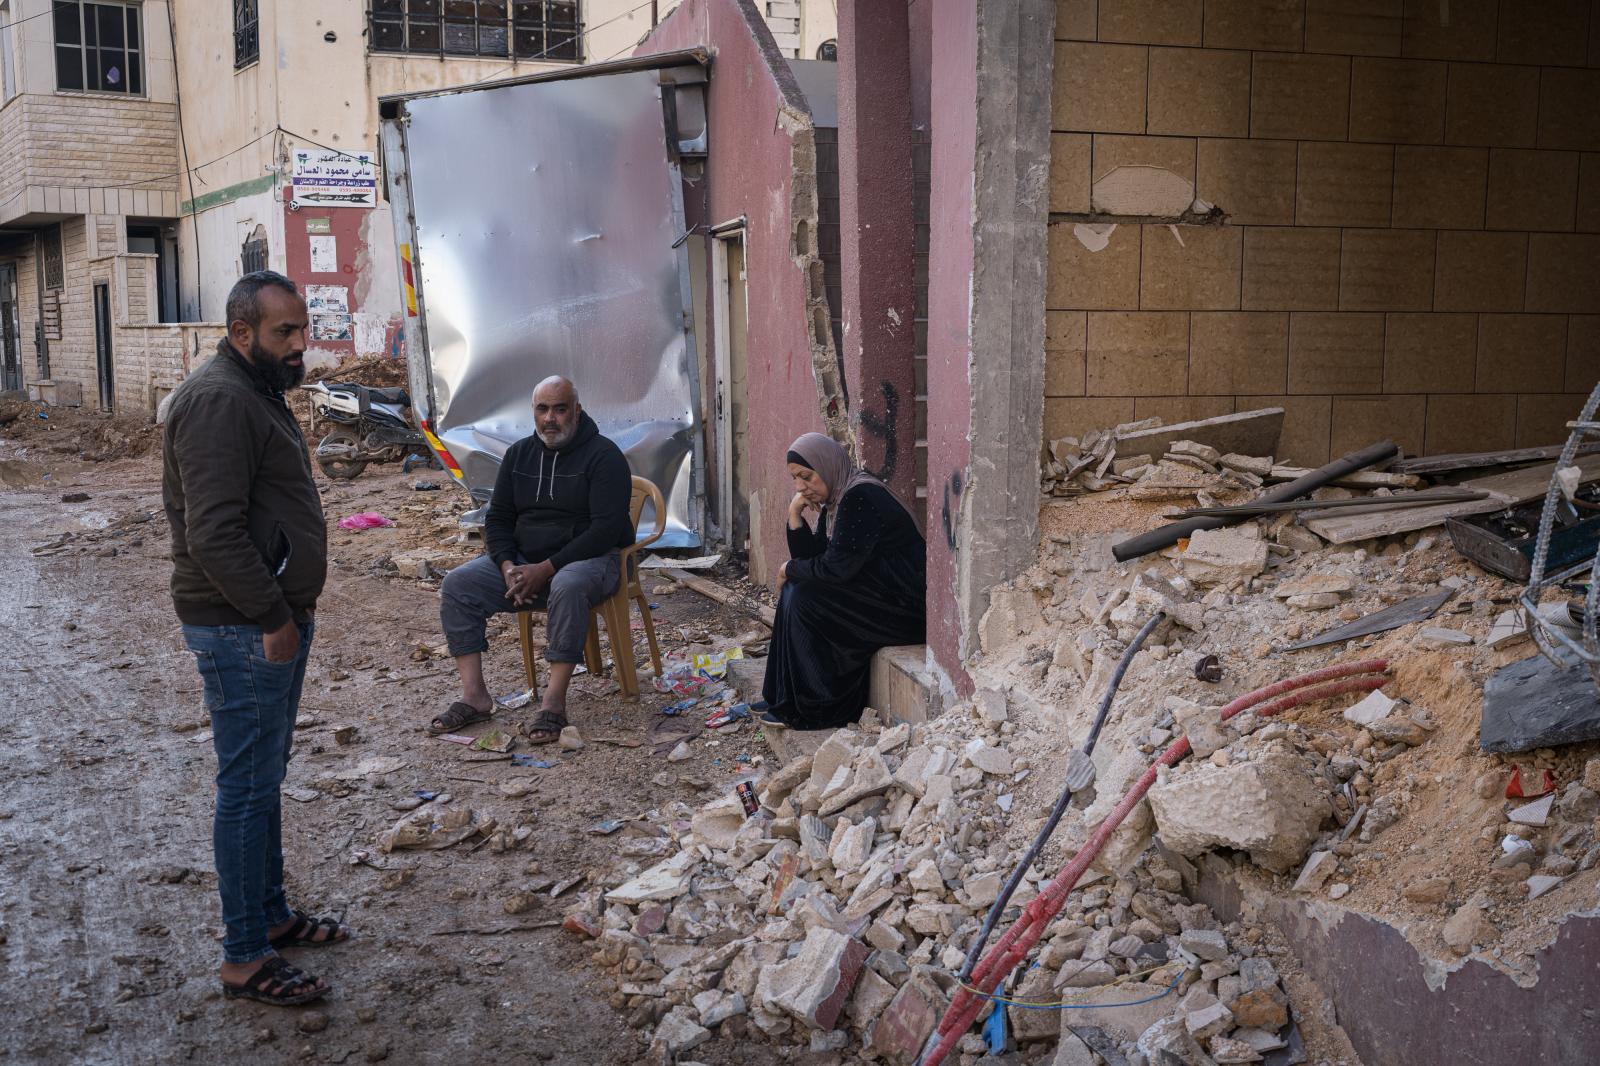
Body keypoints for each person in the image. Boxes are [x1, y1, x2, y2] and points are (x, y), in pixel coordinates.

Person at [164, 271, 349, 1007]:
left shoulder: (256, 388)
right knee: (244, 789)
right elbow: (212, 532)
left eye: (302, 329)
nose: (302, 344)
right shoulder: (217, 400)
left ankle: (269, 917)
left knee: (264, 777)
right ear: (243, 334)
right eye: (285, 333)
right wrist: (272, 617)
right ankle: (244, 956)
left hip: (268, 615)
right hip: (241, 624)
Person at [432, 375, 633, 744]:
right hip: (526, 565)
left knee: (567, 584)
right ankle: (475, 697)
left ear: (577, 411)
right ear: (534, 413)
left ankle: (553, 703)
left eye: (560, 409)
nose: (550, 418)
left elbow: (605, 531)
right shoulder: (519, 455)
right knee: (458, 584)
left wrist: (545, 570)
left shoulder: (605, 457)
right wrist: (508, 567)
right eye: (542, 409)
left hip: (591, 562)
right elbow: (498, 518)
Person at [762, 432, 926, 729]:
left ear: (827, 467)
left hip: (906, 609)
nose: (801, 487)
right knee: (796, 589)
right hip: (879, 597)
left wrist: (788, 568)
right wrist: (794, 514)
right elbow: (815, 558)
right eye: (796, 479)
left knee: (803, 598)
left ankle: (820, 708)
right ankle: (782, 696)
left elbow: (834, 570)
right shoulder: (838, 499)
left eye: (807, 477)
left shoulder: (861, 497)